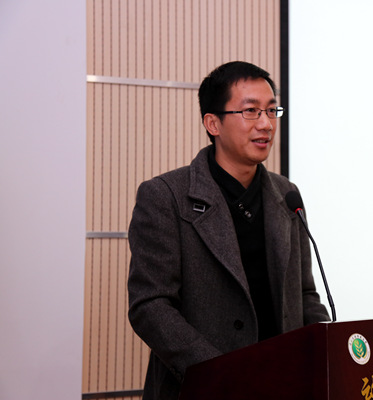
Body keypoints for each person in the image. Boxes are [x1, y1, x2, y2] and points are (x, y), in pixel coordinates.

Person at [127, 61, 330, 400]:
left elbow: (305, 294)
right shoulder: (166, 196)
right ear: (213, 123)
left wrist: (329, 349)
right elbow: (150, 306)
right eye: (251, 111)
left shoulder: (286, 194)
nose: (266, 124)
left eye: (271, 110)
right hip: (205, 388)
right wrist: (221, 373)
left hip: (284, 384)